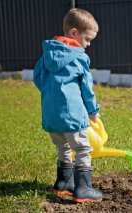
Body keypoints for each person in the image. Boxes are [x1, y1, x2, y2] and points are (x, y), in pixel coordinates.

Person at [32, 8, 102, 203]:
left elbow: (37, 77)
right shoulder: (80, 57)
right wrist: (93, 111)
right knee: (82, 149)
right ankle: (83, 188)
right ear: (74, 33)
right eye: (87, 39)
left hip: (51, 115)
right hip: (72, 115)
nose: (87, 45)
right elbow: (86, 89)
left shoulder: (47, 54)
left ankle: (64, 184)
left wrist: (52, 95)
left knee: (63, 147)